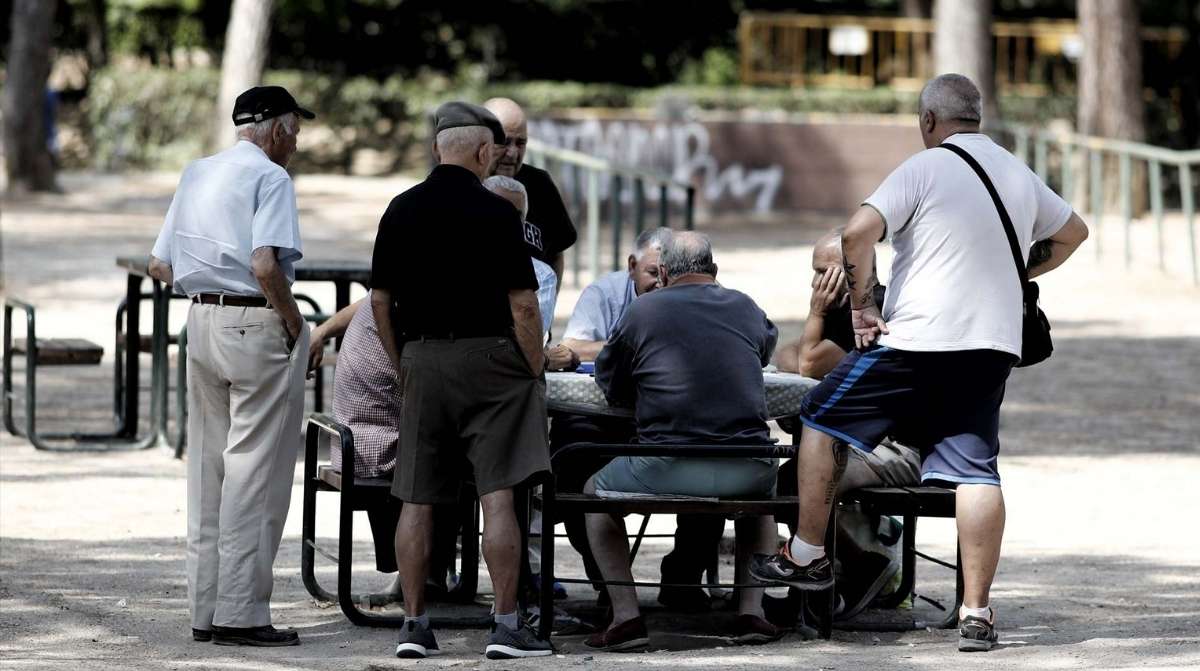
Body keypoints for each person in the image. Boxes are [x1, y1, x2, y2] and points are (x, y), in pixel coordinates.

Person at [750, 74, 1089, 653]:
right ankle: (976, 614)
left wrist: (860, 309)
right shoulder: (1014, 170)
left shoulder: (923, 166)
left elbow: (857, 234)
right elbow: (1073, 233)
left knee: (820, 415)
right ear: (977, 117)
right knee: (976, 469)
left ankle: (806, 554)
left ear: (929, 120)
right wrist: (1016, 275)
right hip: (991, 345)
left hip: (918, 342)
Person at [370, 101, 553, 660]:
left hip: (423, 358)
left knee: (417, 497)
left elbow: (378, 302)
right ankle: (504, 626)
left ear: (434, 151)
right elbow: (524, 305)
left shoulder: (399, 210)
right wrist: (534, 365)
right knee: (499, 495)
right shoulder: (499, 215)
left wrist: (404, 358)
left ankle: (415, 626)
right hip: (492, 363)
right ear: (483, 153)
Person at [147, 85, 315, 647]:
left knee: (207, 468)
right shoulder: (271, 178)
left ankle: (205, 609)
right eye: (293, 129)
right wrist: (292, 320)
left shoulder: (197, 172)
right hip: (255, 323)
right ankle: (241, 614)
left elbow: (159, 264)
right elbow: (265, 263)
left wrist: (208, 284)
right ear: (273, 129)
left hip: (200, 323)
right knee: (255, 472)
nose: (295, 141)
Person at [583, 232, 786, 651]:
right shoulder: (745, 305)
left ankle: (626, 618)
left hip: (665, 466)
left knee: (592, 496)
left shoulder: (643, 311)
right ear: (714, 269)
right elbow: (764, 352)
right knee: (760, 504)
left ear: (665, 272)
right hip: (746, 467)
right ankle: (752, 611)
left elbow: (611, 382)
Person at [772, 229, 921, 622]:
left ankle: (863, 566)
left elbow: (807, 363)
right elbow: (789, 355)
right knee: (796, 473)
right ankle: (814, 589)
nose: (815, 282)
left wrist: (815, 315)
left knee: (794, 483)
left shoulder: (879, 313)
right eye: (814, 272)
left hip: (896, 449)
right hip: (861, 443)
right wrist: (816, 329)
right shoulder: (846, 311)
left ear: (853, 270)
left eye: (824, 272)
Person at [307, 296, 461, 600]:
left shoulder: (392, 290)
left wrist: (322, 330)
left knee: (445, 436)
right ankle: (427, 575)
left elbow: (373, 298)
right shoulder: (414, 308)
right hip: (377, 446)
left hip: (355, 439)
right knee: (474, 454)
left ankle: (425, 573)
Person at [483, 97, 577, 284]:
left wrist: (549, 306)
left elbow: (557, 253)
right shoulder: (462, 183)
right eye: (504, 141)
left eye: (520, 143)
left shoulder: (540, 185)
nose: (512, 153)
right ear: (482, 140)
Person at [559, 228, 668, 361]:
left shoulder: (687, 291)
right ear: (633, 266)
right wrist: (637, 347)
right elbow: (570, 348)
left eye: (670, 274)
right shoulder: (603, 293)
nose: (661, 283)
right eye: (653, 273)